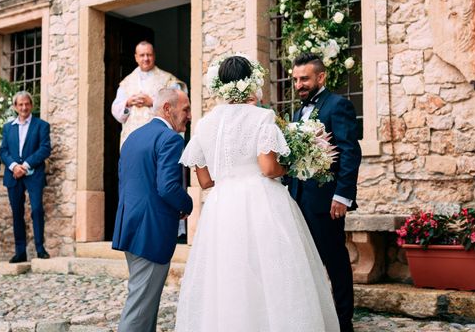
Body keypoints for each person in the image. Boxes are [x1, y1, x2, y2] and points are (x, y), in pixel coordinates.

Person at [175, 55, 338, 331]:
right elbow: (267, 167)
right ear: (251, 81)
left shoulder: (204, 124)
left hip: (222, 205)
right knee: (273, 274)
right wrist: (290, 166)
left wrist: (229, 178)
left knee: (227, 275)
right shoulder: (262, 117)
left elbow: (204, 180)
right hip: (261, 201)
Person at [289, 53, 362, 332]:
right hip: (298, 199)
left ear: (321, 77)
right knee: (307, 262)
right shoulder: (298, 113)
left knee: (335, 261)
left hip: (326, 201)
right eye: (296, 79)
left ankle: (344, 322)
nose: (299, 84)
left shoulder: (337, 105)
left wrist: (342, 196)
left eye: (304, 78)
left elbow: (349, 152)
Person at [112, 88, 193, 332]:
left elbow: (130, 182)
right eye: (185, 109)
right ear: (168, 109)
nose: (189, 115)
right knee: (139, 309)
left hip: (131, 226)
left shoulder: (133, 137)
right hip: (152, 231)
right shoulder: (170, 139)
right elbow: (168, 187)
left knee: (145, 304)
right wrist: (187, 204)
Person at [0, 91, 52, 263]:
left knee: (37, 210)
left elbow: (45, 149)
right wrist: (14, 166)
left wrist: (26, 165)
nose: (24, 107)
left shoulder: (41, 125)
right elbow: (4, 151)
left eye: (27, 104)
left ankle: (40, 248)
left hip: (33, 174)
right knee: (17, 213)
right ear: (15, 107)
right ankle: (20, 251)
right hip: (13, 175)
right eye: (20, 104)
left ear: (32, 105)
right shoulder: (8, 127)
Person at [111, 41, 188, 147]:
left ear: (154, 56)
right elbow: (116, 110)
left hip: (158, 138)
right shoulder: (127, 82)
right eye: (142, 55)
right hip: (132, 139)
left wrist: (153, 102)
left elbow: (179, 106)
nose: (146, 58)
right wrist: (128, 103)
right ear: (136, 57)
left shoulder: (168, 80)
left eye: (149, 55)